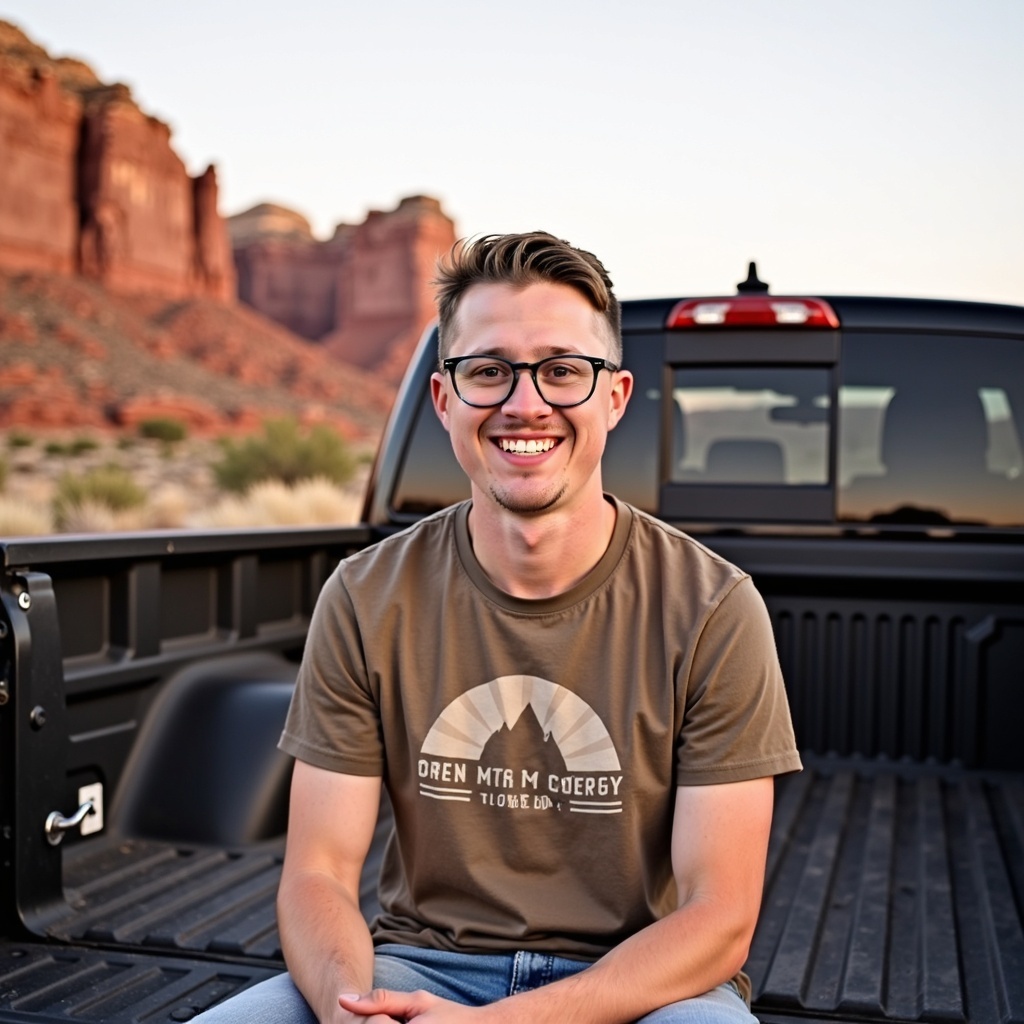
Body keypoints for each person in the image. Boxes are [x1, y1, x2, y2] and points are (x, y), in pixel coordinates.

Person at [196, 231, 801, 1024]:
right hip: (416, 968)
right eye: (489, 371)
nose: (525, 403)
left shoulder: (714, 607)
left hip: (640, 987)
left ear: (614, 398)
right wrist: (350, 1005)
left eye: (561, 370)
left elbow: (718, 918)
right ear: (444, 401)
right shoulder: (367, 595)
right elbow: (318, 873)